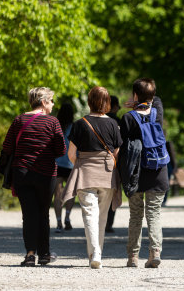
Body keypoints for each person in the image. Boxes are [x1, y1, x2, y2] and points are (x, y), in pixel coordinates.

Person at [1, 87, 65, 267]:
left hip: (22, 172)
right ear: (44, 102)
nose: (53, 105)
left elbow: (7, 147)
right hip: (46, 174)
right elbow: (61, 150)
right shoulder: (53, 122)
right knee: (43, 214)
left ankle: (30, 254)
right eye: (51, 101)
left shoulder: (19, 120)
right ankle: (44, 254)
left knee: (28, 214)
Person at [62, 87, 122, 269]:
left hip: (85, 173)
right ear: (107, 103)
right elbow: (117, 153)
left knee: (89, 214)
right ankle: (97, 253)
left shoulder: (80, 124)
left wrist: (82, 163)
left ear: (89, 102)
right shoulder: (113, 124)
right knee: (102, 217)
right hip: (106, 174)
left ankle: (95, 253)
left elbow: (71, 154)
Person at [120, 78, 168, 268]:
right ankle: (155, 251)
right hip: (158, 170)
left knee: (136, 214)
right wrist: (142, 99)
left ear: (135, 95)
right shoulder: (158, 113)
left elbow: (123, 149)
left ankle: (133, 256)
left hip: (137, 173)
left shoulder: (128, 118)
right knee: (154, 213)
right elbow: (156, 101)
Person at [54, 103, 75, 233]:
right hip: (71, 163)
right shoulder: (74, 127)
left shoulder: (56, 127)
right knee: (71, 193)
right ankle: (67, 217)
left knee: (58, 193)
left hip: (57, 163)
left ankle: (58, 221)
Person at [104, 95, 121, 234]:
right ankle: (109, 223)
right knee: (112, 193)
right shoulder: (117, 121)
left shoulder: (96, 119)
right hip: (114, 162)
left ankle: (100, 222)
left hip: (96, 161)